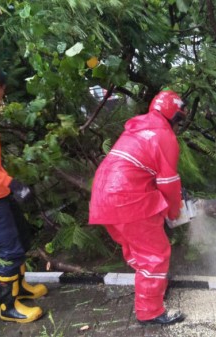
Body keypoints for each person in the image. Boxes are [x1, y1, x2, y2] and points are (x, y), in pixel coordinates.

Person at [89, 89, 186, 325]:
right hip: (128, 200)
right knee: (155, 254)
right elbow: (168, 183)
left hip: (103, 197)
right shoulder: (164, 136)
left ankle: (152, 289)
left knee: (142, 254)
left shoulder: (138, 130)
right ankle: (150, 311)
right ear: (175, 116)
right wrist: (175, 212)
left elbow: (142, 171)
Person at [0, 64, 47, 323]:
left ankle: (21, 288)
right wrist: (12, 184)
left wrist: (7, 186)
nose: (4, 96)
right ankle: (7, 308)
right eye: (3, 90)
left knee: (23, 241)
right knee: (10, 253)